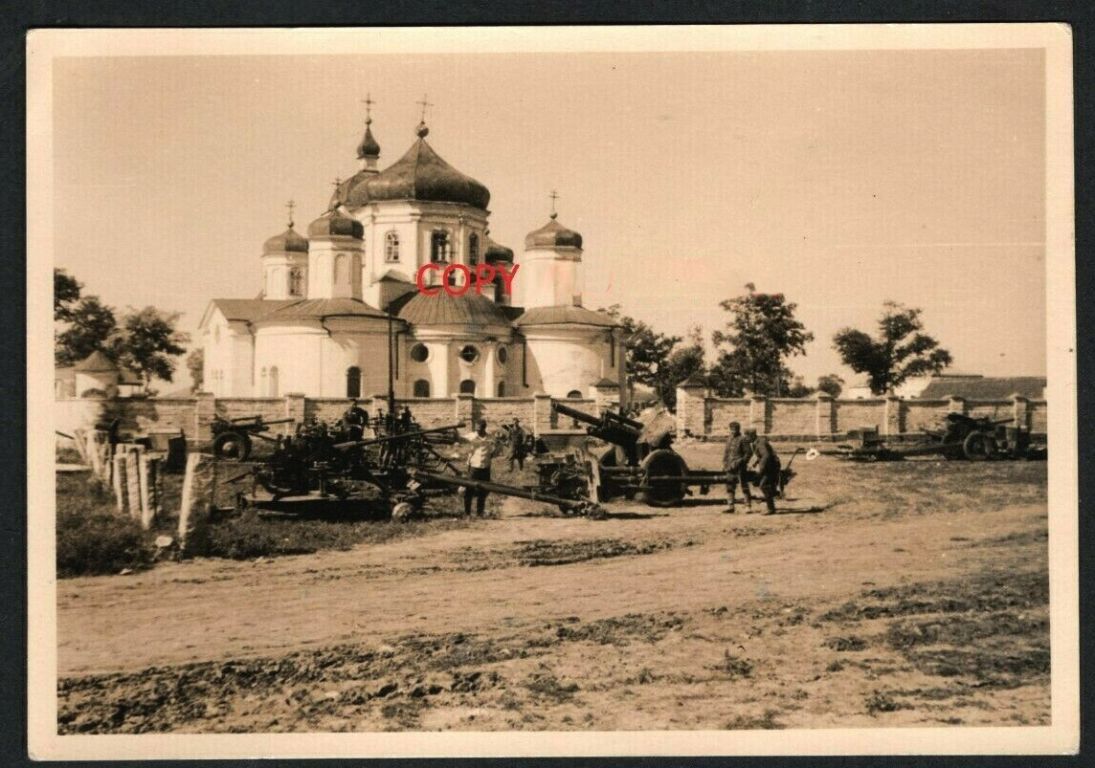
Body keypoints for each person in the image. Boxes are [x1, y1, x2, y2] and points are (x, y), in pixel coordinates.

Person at [464, 420, 502, 517]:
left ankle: (479, 513)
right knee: (469, 490)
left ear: (484, 428)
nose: (477, 430)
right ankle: (467, 513)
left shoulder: (490, 438)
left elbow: (498, 449)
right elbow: (460, 440)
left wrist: (493, 453)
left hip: (485, 468)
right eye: (476, 428)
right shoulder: (471, 436)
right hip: (474, 467)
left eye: (479, 429)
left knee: (483, 491)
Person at [722, 421, 754, 513]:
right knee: (729, 485)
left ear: (738, 429)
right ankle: (730, 506)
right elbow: (726, 453)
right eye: (731, 430)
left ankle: (748, 506)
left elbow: (748, 453)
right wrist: (725, 464)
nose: (733, 432)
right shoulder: (729, 439)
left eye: (734, 430)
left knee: (744, 486)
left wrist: (741, 462)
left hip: (740, 467)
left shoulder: (743, 439)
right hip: (730, 466)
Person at [750, 431, 781, 515]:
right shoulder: (756, 442)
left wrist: (761, 469)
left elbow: (766, 455)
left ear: (752, 435)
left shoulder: (760, 443)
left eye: (747, 436)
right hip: (769, 466)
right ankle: (774, 498)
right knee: (766, 485)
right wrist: (756, 463)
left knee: (763, 485)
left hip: (771, 467)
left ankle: (771, 508)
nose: (746, 438)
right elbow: (761, 455)